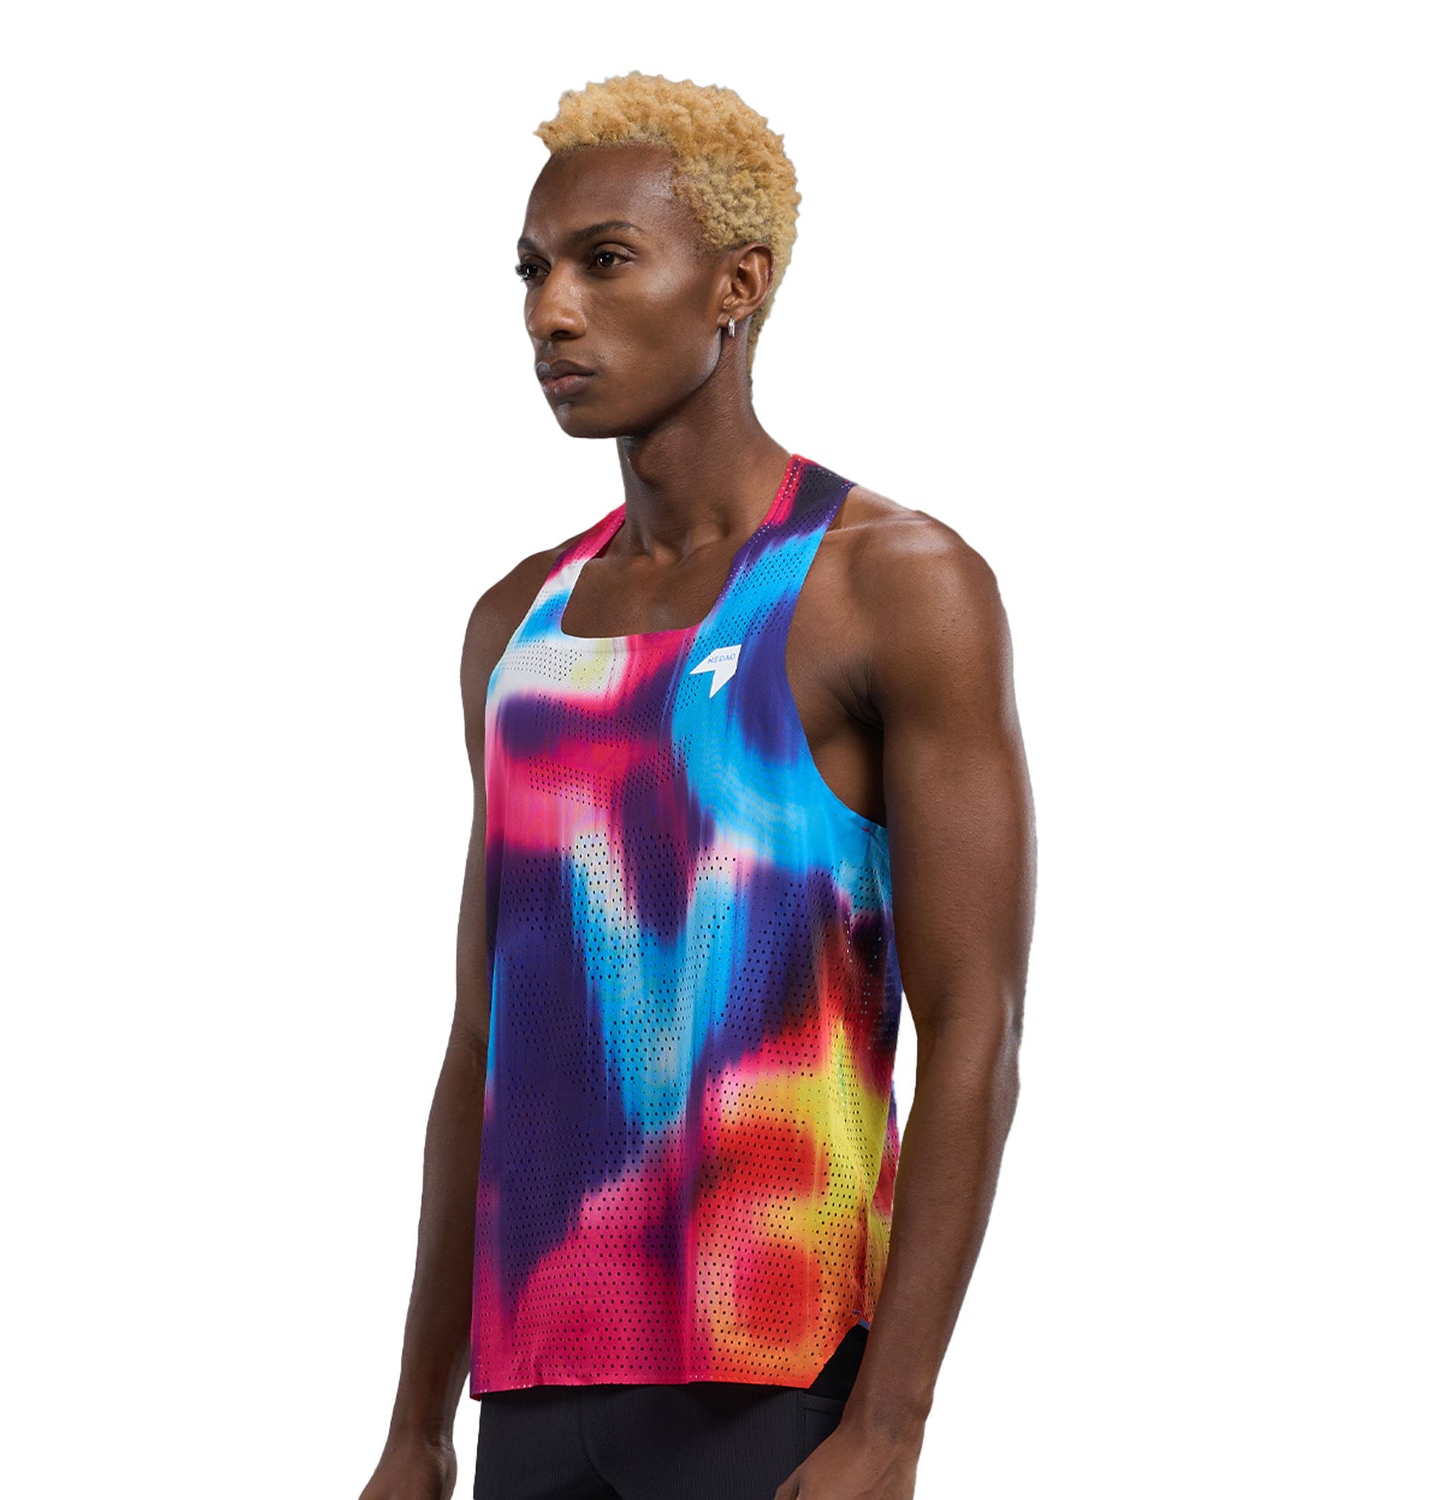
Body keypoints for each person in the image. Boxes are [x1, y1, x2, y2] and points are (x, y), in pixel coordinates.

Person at [359, 72, 1036, 1500]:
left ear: (738, 285)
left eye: (606, 261)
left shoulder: (889, 586)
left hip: (777, 1376)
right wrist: (417, 1425)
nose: (551, 312)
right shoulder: (517, 624)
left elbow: (975, 1027)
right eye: (533, 270)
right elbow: (481, 1039)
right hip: (533, 1383)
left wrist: (890, 1427)